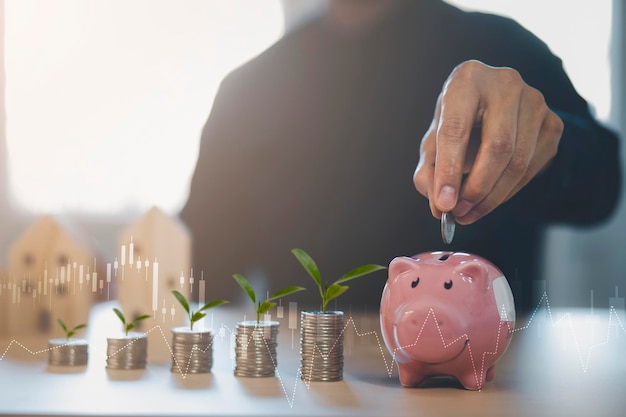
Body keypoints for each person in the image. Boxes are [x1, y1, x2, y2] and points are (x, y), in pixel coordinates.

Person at [181, 0, 621, 313]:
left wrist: (540, 151)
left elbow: (601, 188)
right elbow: (207, 263)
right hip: (306, 384)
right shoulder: (246, 91)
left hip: (484, 391)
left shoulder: (505, 53)